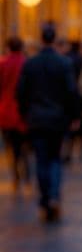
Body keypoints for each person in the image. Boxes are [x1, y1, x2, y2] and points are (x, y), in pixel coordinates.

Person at [16, 25, 77, 222]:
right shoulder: (64, 63)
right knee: (55, 159)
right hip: (58, 119)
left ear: (41, 39)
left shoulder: (30, 64)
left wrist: (26, 114)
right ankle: (54, 195)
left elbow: (21, 93)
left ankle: (44, 198)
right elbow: (71, 93)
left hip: (37, 119)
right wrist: (73, 116)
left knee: (41, 160)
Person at [0, 37, 29, 192]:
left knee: (11, 146)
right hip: (23, 111)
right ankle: (26, 173)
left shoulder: (3, 63)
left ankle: (15, 174)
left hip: (5, 110)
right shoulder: (27, 63)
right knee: (24, 145)